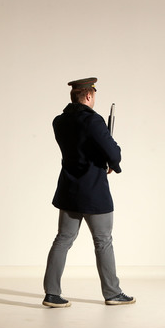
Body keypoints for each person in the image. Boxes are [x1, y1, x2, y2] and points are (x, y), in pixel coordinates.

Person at [42, 77, 135, 308]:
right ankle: (112, 293)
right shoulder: (94, 120)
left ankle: (51, 294)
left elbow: (79, 149)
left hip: (69, 189)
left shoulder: (59, 121)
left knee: (62, 240)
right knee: (103, 242)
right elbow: (113, 152)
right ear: (89, 96)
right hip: (93, 191)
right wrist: (113, 158)